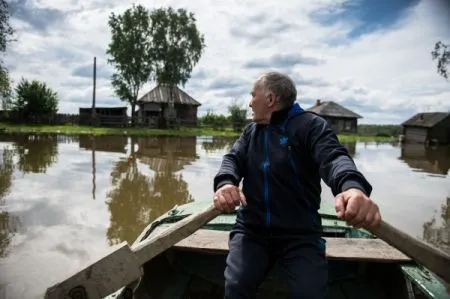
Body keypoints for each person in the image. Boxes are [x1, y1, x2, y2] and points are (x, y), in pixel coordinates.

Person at [212, 71, 382, 298]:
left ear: (270, 99)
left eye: (253, 96)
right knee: (236, 287)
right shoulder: (251, 131)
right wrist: (225, 184)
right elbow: (232, 159)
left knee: (310, 294)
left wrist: (351, 187)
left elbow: (334, 158)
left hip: (300, 235)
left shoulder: (311, 126)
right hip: (252, 231)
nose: (250, 102)